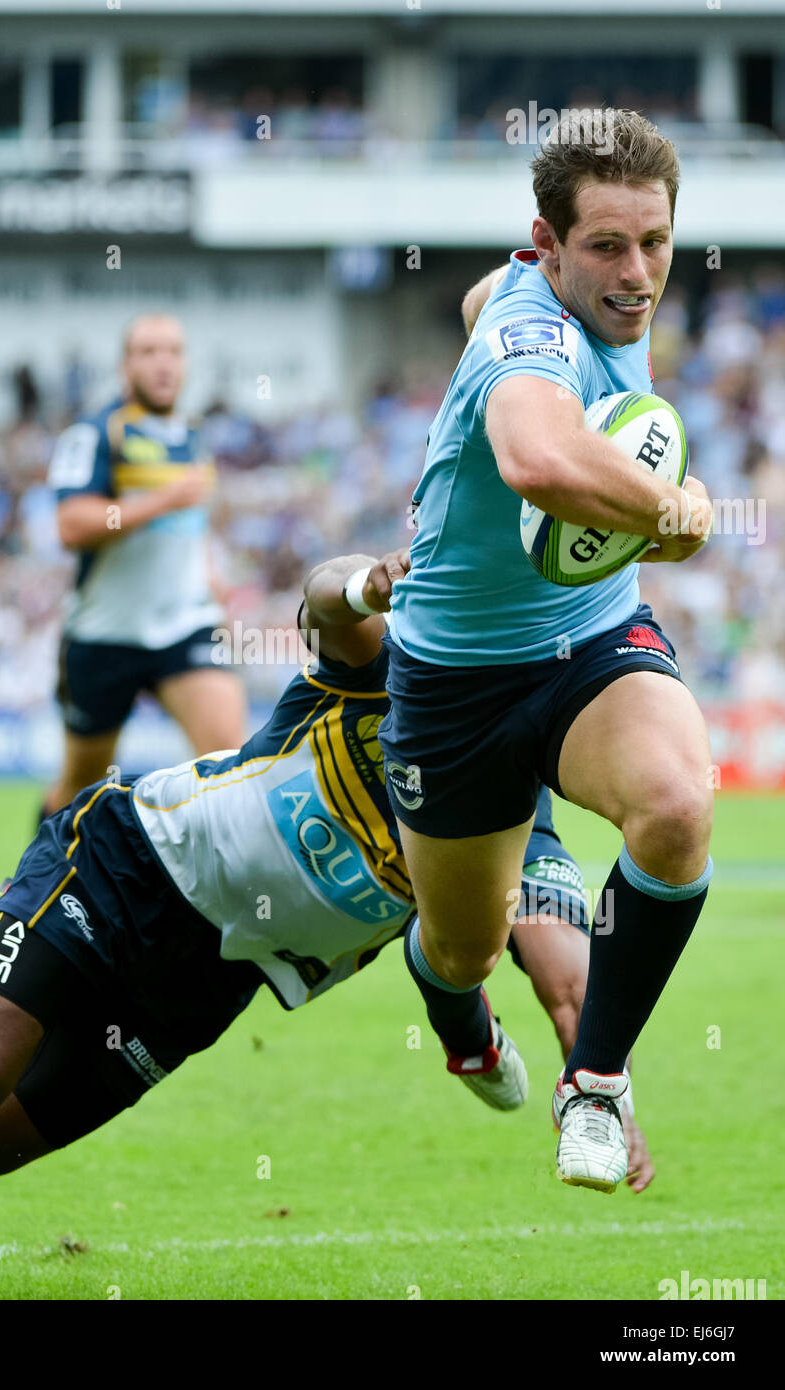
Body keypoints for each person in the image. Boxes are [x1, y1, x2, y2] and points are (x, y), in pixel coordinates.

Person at [0, 548, 654, 1297]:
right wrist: (367, 582)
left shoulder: (519, 832)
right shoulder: (400, 673)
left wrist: (600, 1091)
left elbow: (570, 981)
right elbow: (326, 603)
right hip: (131, 863)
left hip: (209, 986)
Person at [377, 108, 714, 1193]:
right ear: (546, 244)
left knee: (675, 802)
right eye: (606, 247)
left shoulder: (574, 301)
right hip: (453, 680)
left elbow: (483, 301)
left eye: (653, 242)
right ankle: (462, 1027)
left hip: (587, 642)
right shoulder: (535, 326)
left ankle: (595, 1084)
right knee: (463, 946)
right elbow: (530, 452)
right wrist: (671, 506)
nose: (635, 272)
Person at [40, 312, 246, 818]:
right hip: (105, 634)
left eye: (173, 351)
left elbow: (189, 525)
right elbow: (71, 525)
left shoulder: (190, 436)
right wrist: (159, 501)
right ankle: (30, 887)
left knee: (229, 764)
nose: (163, 364)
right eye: (149, 352)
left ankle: (203, 895)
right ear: (125, 365)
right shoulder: (96, 434)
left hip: (183, 625)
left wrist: (209, 577)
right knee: (82, 784)